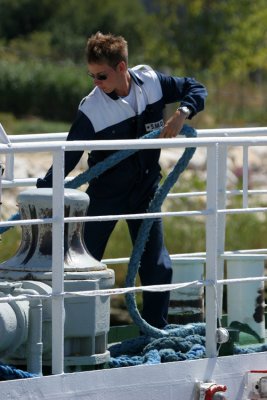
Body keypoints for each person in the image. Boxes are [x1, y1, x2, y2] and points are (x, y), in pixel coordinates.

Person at [37, 32, 207, 329]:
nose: (96, 83)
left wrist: (182, 112)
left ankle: (155, 333)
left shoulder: (152, 82)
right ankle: (71, 338)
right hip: (106, 195)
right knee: (82, 268)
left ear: (121, 68)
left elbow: (195, 87)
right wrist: (44, 190)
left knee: (158, 267)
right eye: (91, 76)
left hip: (145, 192)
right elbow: (68, 155)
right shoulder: (91, 109)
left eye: (101, 75)